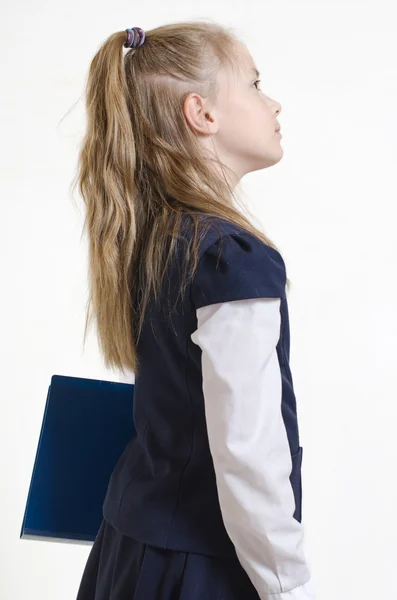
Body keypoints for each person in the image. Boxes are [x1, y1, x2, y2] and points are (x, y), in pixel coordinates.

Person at [73, 19, 316, 600]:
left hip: (128, 548)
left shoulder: (155, 237)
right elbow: (246, 451)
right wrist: (286, 584)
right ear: (201, 113)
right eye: (256, 85)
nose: (273, 100)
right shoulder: (232, 258)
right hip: (198, 568)